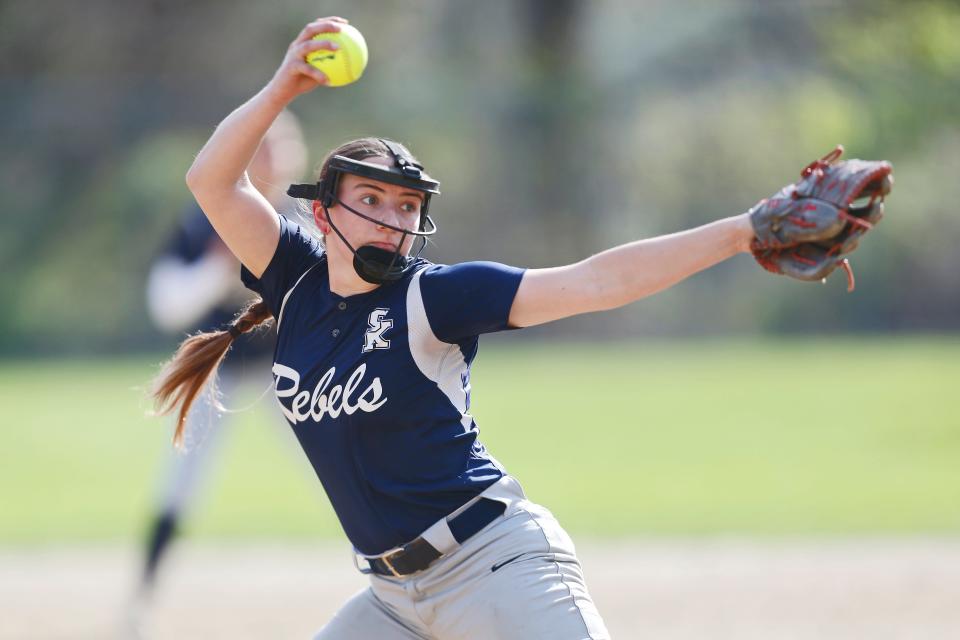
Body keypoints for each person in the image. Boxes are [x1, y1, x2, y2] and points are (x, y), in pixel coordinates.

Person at [152, 16, 761, 640]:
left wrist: (746, 231)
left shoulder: (434, 295)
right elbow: (212, 180)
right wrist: (282, 86)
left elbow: (597, 281)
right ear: (320, 209)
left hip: (495, 567)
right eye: (370, 200)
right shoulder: (296, 280)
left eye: (407, 207)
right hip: (392, 602)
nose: (392, 219)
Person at [137, 112, 307, 601]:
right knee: (182, 480)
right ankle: (143, 597)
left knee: (338, 467)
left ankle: (394, 578)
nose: (271, 157)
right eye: (261, 146)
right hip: (219, 369)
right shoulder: (207, 219)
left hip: (289, 372)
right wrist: (218, 265)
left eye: (281, 145)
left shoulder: (301, 223)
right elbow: (165, 303)